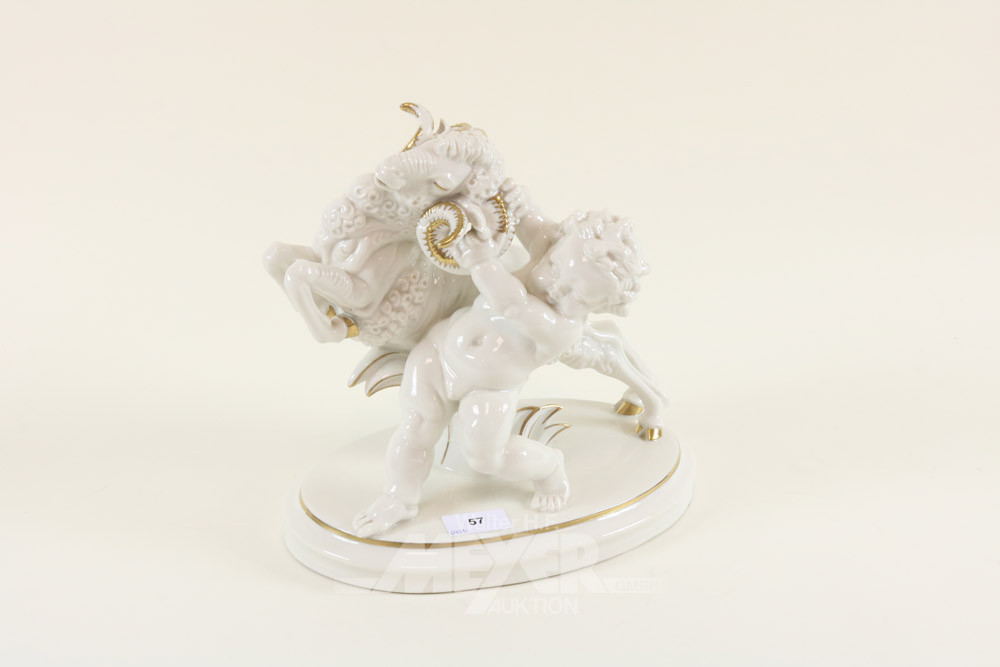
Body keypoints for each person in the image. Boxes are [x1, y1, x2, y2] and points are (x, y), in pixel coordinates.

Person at [353, 209, 649, 537]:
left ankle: (550, 466)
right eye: (554, 267)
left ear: (599, 307)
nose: (556, 288)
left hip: (490, 390)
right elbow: (520, 210)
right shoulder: (546, 247)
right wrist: (487, 200)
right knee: (416, 427)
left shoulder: (562, 329)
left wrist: (480, 260)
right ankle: (399, 498)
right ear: (555, 246)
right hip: (437, 351)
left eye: (576, 297)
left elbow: (513, 305)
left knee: (486, 459)